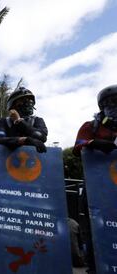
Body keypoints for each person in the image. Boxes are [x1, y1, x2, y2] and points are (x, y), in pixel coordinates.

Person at [73, 84, 117, 274]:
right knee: (93, 229)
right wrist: (94, 143)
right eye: (110, 103)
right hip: (96, 187)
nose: (114, 106)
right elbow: (77, 147)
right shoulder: (92, 126)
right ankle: (94, 266)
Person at [0, 87, 48, 152]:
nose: (29, 102)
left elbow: (41, 137)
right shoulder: (3, 122)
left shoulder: (37, 120)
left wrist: (19, 121)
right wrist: (25, 140)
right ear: (13, 104)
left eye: (30, 100)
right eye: (23, 100)